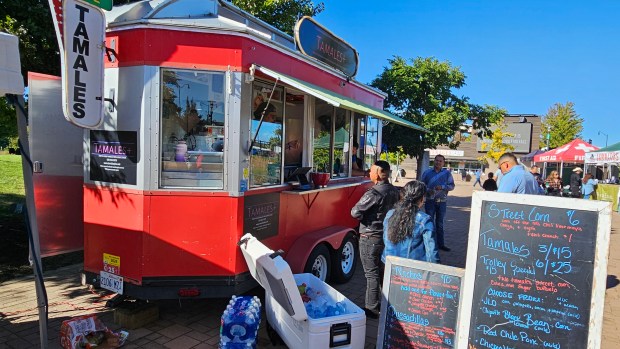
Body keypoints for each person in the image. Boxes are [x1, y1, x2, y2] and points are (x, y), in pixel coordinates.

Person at [351, 160, 400, 319]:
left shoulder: (373, 193)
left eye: (371, 171)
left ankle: (372, 308)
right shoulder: (394, 190)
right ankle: (386, 304)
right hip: (385, 236)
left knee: (371, 274)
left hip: (370, 237)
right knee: (381, 271)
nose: (369, 173)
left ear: (379, 174)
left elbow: (355, 212)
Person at [382, 180, 439, 264]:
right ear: (422, 198)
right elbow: (431, 252)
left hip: (390, 265)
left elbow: (385, 239)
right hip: (413, 270)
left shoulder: (390, 214)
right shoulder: (425, 220)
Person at [421, 155, 455, 252]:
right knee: (429, 223)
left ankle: (441, 244)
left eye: (440, 161)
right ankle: (428, 244)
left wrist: (443, 187)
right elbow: (422, 185)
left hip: (442, 202)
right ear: (434, 161)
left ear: (443, 163)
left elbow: (452, 186)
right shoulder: (427, 173)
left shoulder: (447, 173)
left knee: (440, 224)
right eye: (437, 160)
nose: (438, 162)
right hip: (430, 202)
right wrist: (428, 190)